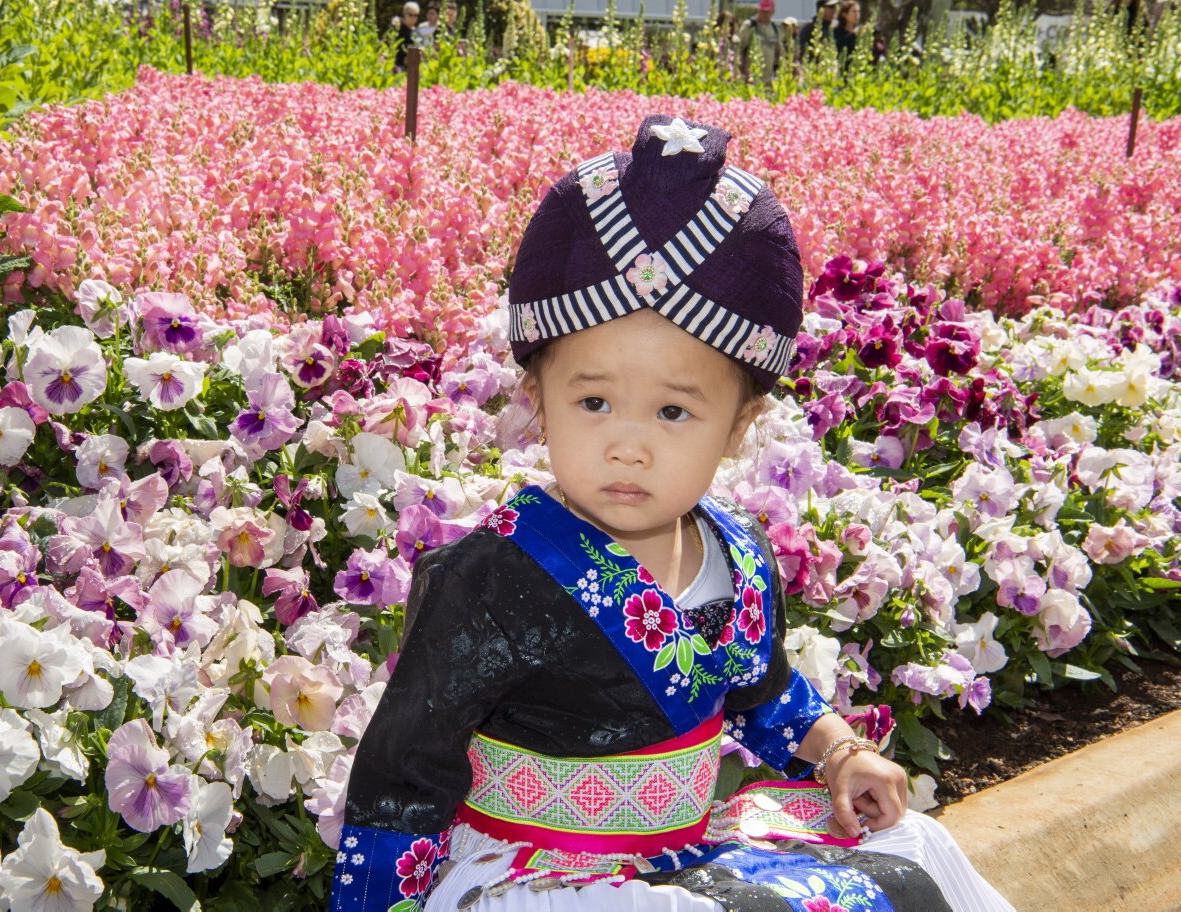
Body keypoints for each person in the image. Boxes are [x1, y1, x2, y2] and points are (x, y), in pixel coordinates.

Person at [329, 114, 1016, 912]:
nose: (629, 446)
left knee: (916, 849)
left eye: (674, 412)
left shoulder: (741, 554)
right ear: (536, 403)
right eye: (593, 401)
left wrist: (838, 754)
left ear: (739, 427)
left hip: (683, 852)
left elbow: (765, 694)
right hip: (540, 876)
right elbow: (402, 780)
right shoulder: (487, 579)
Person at [736, 0, 783, 84]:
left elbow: (779, 52)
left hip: (768, 80)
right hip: (750, 78)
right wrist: (740, 70)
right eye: (762, 11)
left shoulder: (774, 29)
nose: (764, 14)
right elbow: (739, 48)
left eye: (767, 11)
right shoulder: (749, 25)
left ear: (772, 12)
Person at [834, 0, 861, 71]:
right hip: (842, 69)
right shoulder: (837, 32)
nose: (857, 15)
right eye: (854, 11)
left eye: (858, 11)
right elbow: (838, 46)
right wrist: (852, 35)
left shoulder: (859, 32)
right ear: (844, 14)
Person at [393, 1, 420, 73]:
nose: (413, 17)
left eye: (416, 15)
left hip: (412, 69)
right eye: (410, 15)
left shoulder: (416, 31)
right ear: (404, 14)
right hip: (398, 67)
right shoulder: (397, 28)